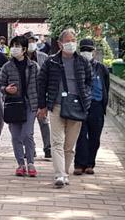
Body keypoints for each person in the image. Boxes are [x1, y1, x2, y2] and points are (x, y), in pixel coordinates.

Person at [37, 28, 92, 188]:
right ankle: (59, 174)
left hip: (77, 107)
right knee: (57, 142)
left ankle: (65, 172)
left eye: (73, 40)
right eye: (67, 41)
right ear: (60, 44)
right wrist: (42, 105)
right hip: (57, 106)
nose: (70, 43)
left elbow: (89, 82)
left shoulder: (83, 62)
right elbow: (42, 83)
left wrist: (86, 100)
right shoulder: (51, 61)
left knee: (69, 145)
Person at [0, 36, 39, 177]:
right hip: (13, 104)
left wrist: (41, 106)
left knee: (27, 134)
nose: (15, 48)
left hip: (29, 104)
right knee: (16, 136)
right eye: (13, 45)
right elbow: (0, 85)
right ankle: (20, 164)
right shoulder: (7, 67)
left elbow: (39, 86)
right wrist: (6, 89)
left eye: (18, 46)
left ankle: (31, 163)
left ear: (24, 49)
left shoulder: (34, 66)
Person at [74, 39, 110, 175]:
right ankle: (79, 164)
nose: (86, 53)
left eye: (89, 50)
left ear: (93, 51)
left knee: (95, 136)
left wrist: (102, 104)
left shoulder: (101, 68)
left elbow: (106, 87)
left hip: (96, 105)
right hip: (80, 105)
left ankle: (90, 163)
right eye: (83, 50)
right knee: (80, 135)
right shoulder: (75, 66)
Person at [26, 34, 52, 159]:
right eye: (29, 41)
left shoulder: (44, 57)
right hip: (26, 96)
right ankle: (30, 149)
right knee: (27, 125)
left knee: (44, 122)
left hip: (41, 95)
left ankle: (48, 148)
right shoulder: (21, 58)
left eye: (33, 41)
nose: (31, 43)